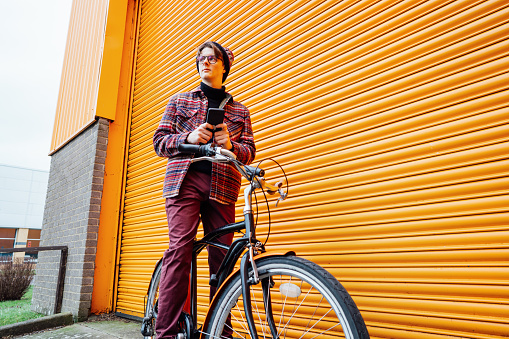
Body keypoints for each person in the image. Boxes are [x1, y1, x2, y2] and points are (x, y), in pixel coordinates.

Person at [153, 41, 256, 339]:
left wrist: (231, 145)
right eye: (202, 58)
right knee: (180, 250)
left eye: (213, 58)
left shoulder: (240, 111)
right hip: (184, 182)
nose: (206, 62)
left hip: (223, 187)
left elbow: (249, 151)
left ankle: (219, 331)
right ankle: (166, 334)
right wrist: (190, 136)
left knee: (222, 261)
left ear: (225, 65)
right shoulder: (180, 100)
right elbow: (160, 142)